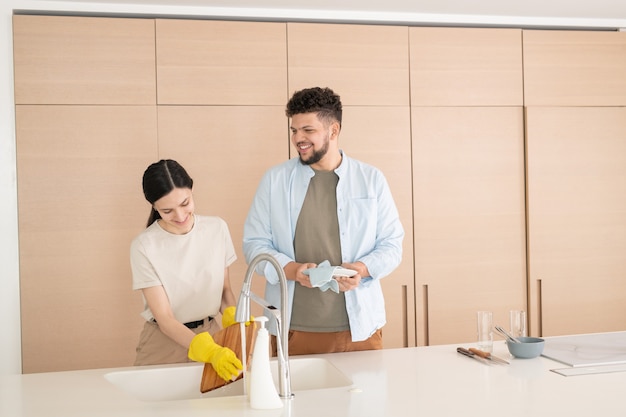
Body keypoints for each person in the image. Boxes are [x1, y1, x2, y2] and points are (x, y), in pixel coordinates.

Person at [243, 87, 404, 355]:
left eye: (308, 130)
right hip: (295, 327)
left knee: (368, 397)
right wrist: (293, 270)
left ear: (333, 130)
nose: (298, 139)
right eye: (294, 130)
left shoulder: (371, 179)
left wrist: (362, 269)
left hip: (360, 328)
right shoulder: (275, 180)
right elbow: (254, 245)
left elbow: (392, 245)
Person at [130, 159, 243, 381]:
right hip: (163, 344)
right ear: (154, 206)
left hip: (211, 334)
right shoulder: (144, 246)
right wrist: (209, 352)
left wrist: (233, 316)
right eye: (167, 210)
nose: (180, 216)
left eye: (185, 203)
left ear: (191, 190)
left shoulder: (216, 228)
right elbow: (165, 318)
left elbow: (224, 290)